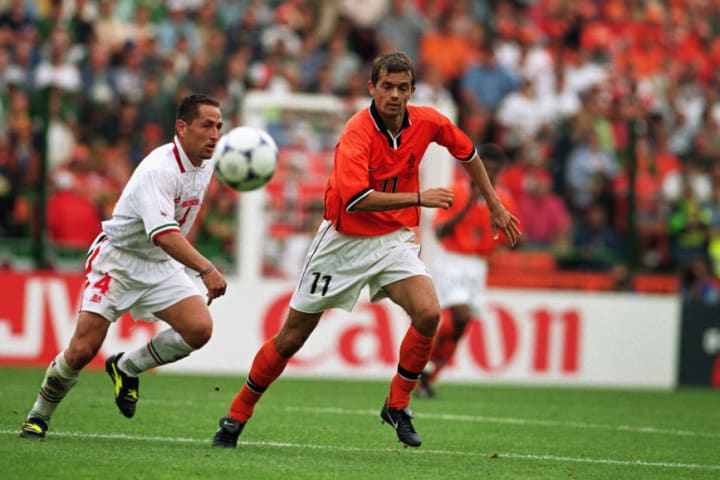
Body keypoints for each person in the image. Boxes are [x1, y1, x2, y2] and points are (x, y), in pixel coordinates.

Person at [211, 52, 520, 449]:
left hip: (392, 240)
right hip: (342, 242)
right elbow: (356, 199)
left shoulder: (427, 121)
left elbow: (469, 153)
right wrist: (420, 197)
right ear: (371, 88)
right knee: (290, 339)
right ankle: (236, 415)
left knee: (429, 313)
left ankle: (398, 404)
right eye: (386, 87)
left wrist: (493, 203)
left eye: (402, 88)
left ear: (412, 91)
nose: (394, 95)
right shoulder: (357, 132)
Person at [20, 94, 228, 440]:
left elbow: (171, 232)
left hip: (159, 263)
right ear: (182, 127)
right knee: (82, 349)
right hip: (119, 261)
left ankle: (126, 366)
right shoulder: (159, 168)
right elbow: (163, 233)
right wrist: (206, 269)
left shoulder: (204, 166)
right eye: (207, 125)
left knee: (199, 328)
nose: (215, 134)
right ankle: (39, 414)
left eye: (219, 126)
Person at [416, 144, 519, 398]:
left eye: (495, 169)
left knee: (461, 326)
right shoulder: (455, 193)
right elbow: (439, 233)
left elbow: (514, 238)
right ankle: (419, 369)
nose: (490, 173)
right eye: (486, 167)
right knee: (459, 316)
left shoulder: (503, 199)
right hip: (452, 259)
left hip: (478, 265)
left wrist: (513, 233)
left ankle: (428, 375)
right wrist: (469, 205)